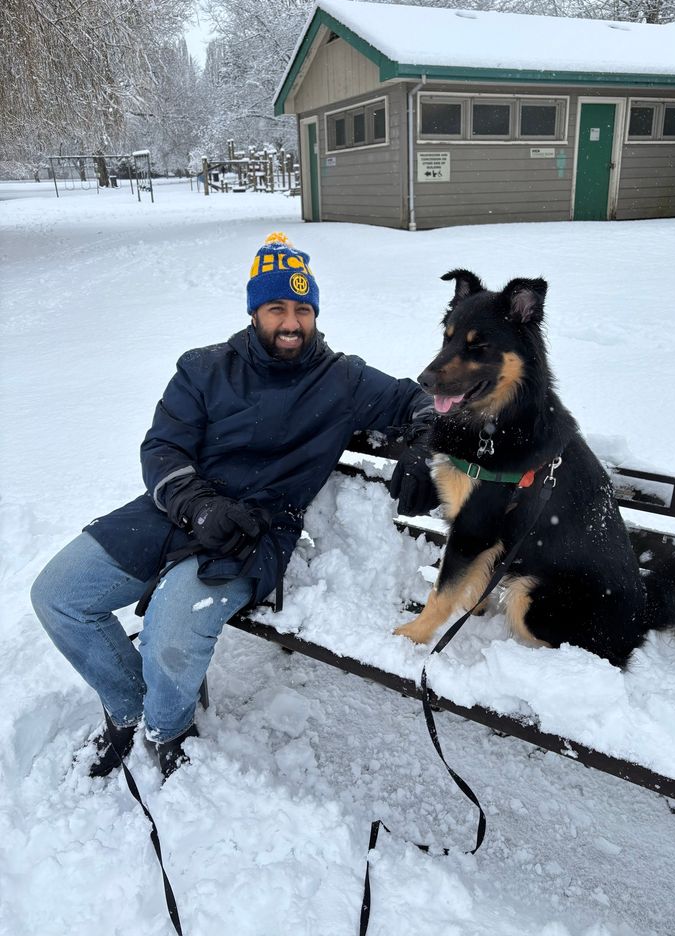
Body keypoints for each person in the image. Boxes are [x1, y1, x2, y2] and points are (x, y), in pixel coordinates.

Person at [31, 232, 437, 780]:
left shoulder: (343, 379)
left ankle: (169, 730)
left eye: (302, 309)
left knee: (172, 631)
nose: (291, 323)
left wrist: (424, 445)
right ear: (254, 312)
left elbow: (421, 402)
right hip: (177, 510)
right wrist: (196, 505)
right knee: (58, 594)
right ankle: (128, 707)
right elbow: (163, 448)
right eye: (276, 308)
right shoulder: (204, 368)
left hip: (254, 532)